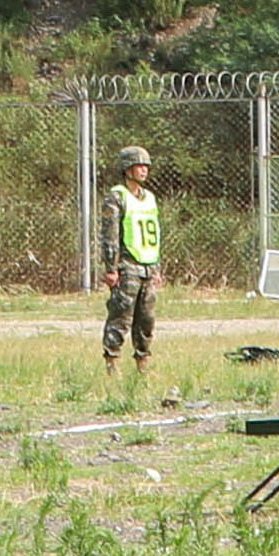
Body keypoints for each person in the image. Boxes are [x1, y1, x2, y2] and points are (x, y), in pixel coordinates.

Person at [98, 139, 165, 387]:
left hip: (148, 265)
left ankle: (142, 365)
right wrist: (111, 269)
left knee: (146, 320)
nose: (144, 170)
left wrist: (156, 268)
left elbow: (155, 234)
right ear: (127, 169)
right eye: (139, 166)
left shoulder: (149, 198)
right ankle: (112, 364)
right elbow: (110, 235)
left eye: (146, 166)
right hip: (127, 266)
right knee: (120, 317)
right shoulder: (117, 198)